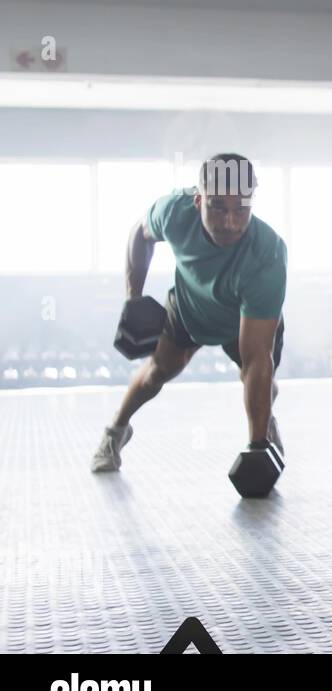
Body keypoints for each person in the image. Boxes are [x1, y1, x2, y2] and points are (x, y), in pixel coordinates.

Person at [90, 153, 288, 473]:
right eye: (218, 208)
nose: (230, 222)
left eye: (241, 209)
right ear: (198, 200)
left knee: (263, 381)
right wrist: (134, 299)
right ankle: (115, 432)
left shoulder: (268, 253)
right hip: (188, 307)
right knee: (157, 372)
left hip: (243, 319)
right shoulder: (174, 212)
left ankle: (263, 430)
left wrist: (256, 450)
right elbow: (140, 234)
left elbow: (256, 359)